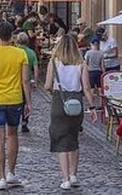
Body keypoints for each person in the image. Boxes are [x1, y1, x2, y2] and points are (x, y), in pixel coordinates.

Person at [0, 21, 31, 190]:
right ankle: (11, 173)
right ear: (12, 36)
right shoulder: (20, 54)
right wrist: (28, 102)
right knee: (12, 135)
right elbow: (25, 80)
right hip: (14, 99)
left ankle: (0, 177)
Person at [44, 34, 98, 190]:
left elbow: (47, 85)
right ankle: (74, 175)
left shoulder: (53, 63)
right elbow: (87, 88)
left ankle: (65, 178)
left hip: (59, 103)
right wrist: (92, 108)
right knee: (73, 138)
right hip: (76, 104)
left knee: (61, 140)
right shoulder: (81, 64)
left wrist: (54, 91)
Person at [14, 31, 38, 133]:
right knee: (26, 101)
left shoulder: (15, 51)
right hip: (27, 80)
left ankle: (14, 120)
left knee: (17, 101)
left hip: (15, 80)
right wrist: (35, 81)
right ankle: (24, 121)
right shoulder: (31, 53)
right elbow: (36, 69)